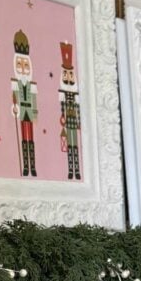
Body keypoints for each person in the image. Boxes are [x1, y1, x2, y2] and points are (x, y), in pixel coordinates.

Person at [11, 29, 38, 177]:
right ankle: (26, 166)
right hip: (21, 112)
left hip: (29, 112)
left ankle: (32, 166)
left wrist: (35, 113)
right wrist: (14, 107)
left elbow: (33, 99)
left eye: (25, 65)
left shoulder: (32, 85)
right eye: (20, 65)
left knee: (31, 138)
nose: (23, 68)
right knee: (24, 138)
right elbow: (14, 98)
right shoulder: (16, 84)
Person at [58, 42, 81, 180]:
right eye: (66, 75)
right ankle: (71, 169)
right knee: (70, 147)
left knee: (75, 147)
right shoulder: (64, 96)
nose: (68, 78)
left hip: (74, 122)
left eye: (70, 74)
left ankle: (76, 170)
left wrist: (78, 121)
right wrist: (62, 118)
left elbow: (77, 109)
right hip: (67, 122)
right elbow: (62, 109)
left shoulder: (75, 95)